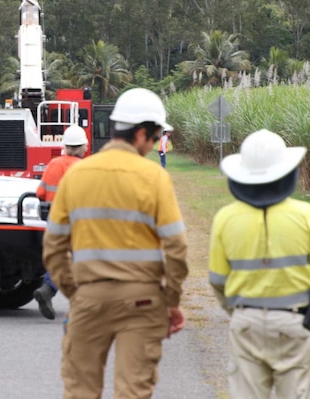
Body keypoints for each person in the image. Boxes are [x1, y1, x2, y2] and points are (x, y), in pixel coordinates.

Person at [43, 88, 188, 399]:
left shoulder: (76, 175)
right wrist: (172, 300)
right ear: (140, 134)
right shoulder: (154, 177)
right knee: (133, 392)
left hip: (89, 299)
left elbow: (53, 246)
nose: (152, 146)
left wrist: (76, 293)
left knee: (80, 390)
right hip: (143, 301)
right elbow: (176, 248)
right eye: (155, 137)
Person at [209, 129, 310, 399]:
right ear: (286, 173)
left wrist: (239, 312)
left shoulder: (225, 218)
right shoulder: (308, 216)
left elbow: (218, 281)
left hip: (245, 322)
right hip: (296, 322)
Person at [34, 124, 89, 320]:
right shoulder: (83, 168)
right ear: (83, 147)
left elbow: (40, 192)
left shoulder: (53, 164)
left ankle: (48, 289)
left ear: (65, 146)